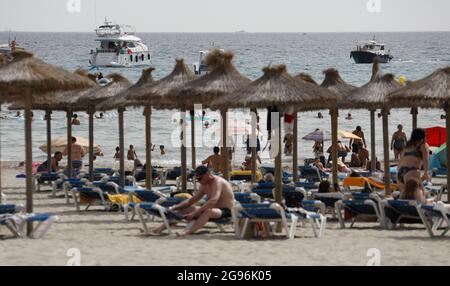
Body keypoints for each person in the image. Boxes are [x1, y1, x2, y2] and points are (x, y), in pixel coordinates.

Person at [151, 166, 235, 236]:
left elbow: (213, 200)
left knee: (208, 211)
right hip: (214, 209)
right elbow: (191, 200)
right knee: (183, 210)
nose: (199, 181)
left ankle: (187, 232)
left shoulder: (217, 182)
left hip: (227, 211)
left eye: (200, 178)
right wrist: (174, 208)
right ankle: (159, 229)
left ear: (207, 174)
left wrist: (195, 213)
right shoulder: (204, 185)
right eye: (197, 179)